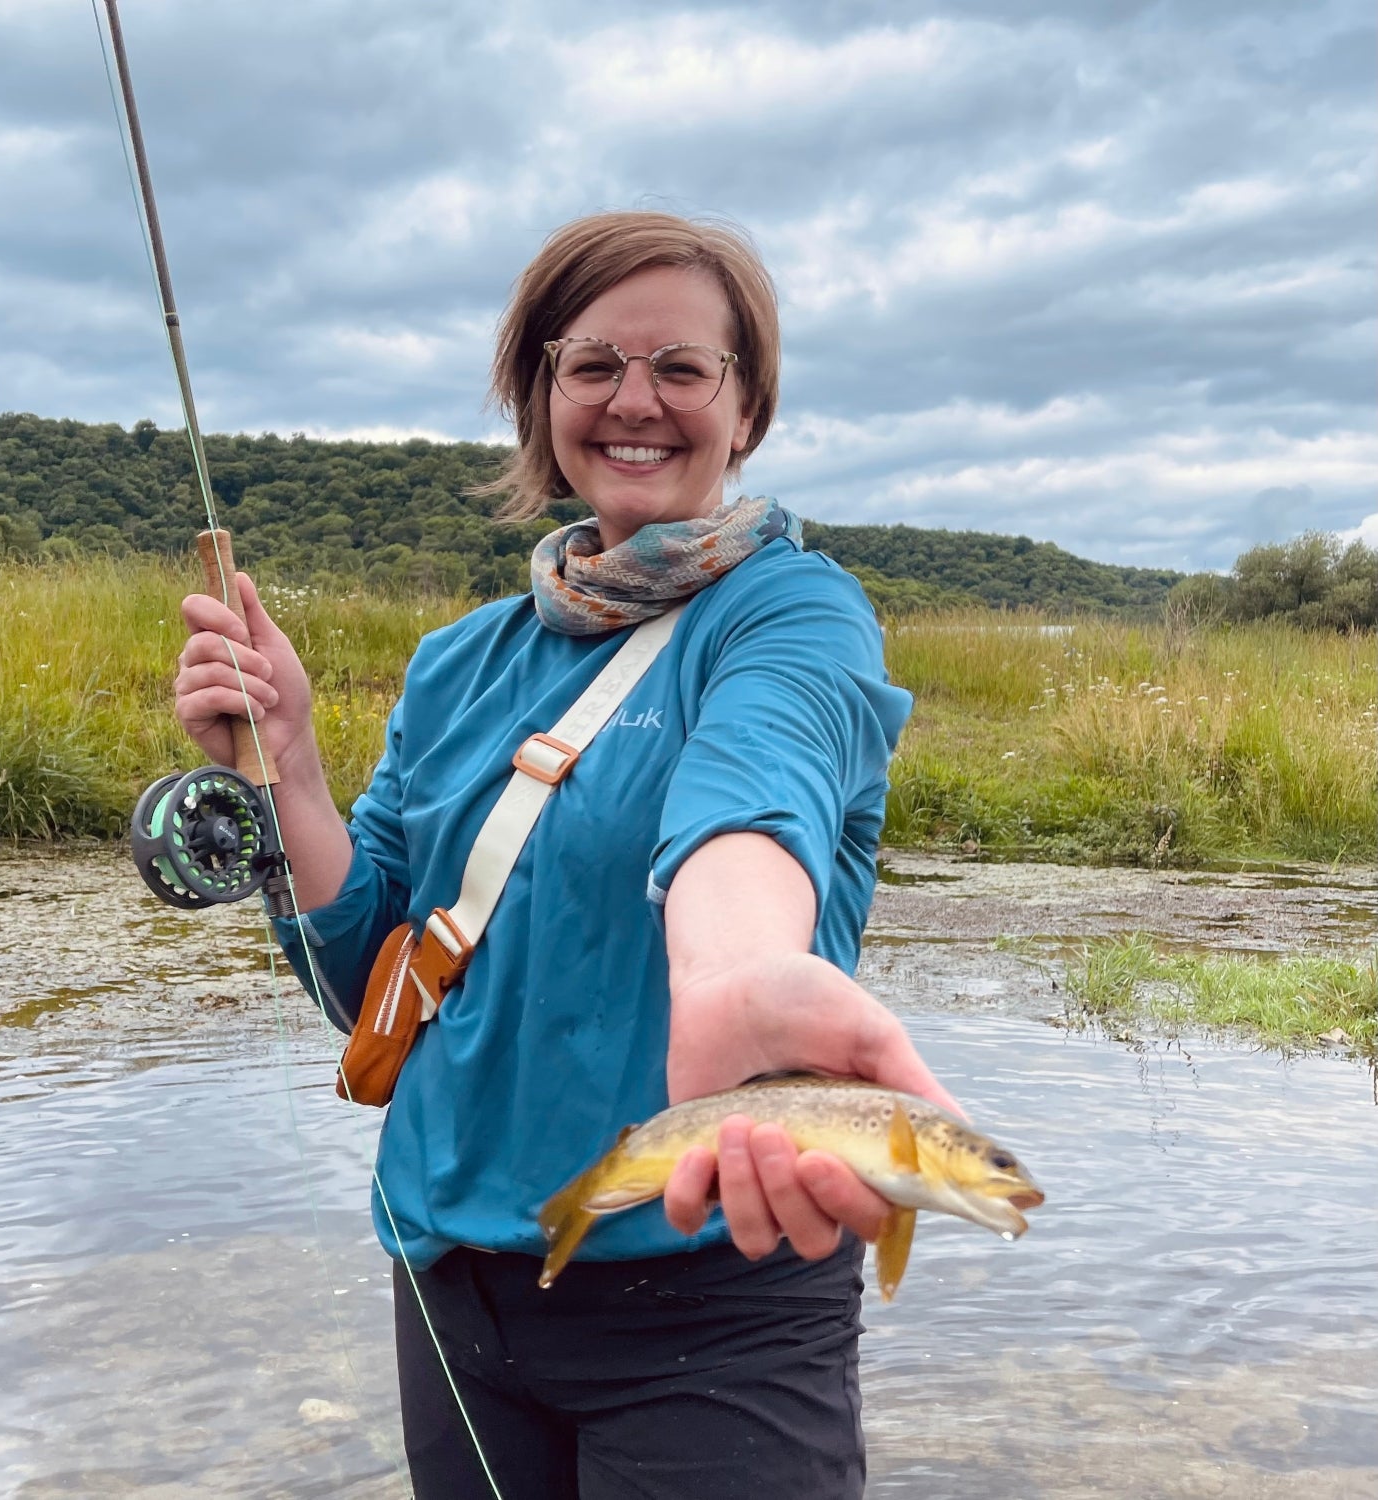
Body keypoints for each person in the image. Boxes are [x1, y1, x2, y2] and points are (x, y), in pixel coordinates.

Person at [174, 210, 961, 1500]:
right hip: (452, 1281)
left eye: (682, 368)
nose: (632, 401)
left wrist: (734, 974)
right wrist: (294, 769)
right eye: (590, 364)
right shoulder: (456, 663)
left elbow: (752, 800)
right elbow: (372, 977)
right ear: (540, 398)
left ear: (747, 408)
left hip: (718, 1301)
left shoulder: (792, 614)